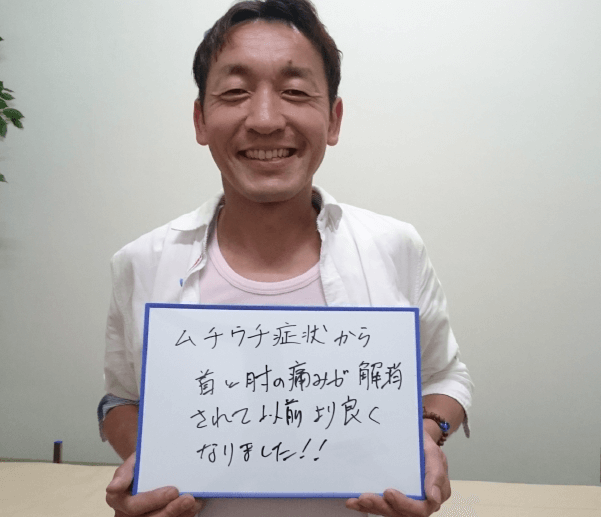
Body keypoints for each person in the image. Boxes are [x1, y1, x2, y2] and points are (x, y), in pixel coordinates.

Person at [99, 1, 473, 516]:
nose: (265, 120)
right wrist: (146, 463)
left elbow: (446, 377)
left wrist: (426, 435)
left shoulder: (394, 247)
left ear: (333, 119)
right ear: (201, 119)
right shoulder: (143, 262)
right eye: (235, 92)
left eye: (295, 92)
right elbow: (121, 398)